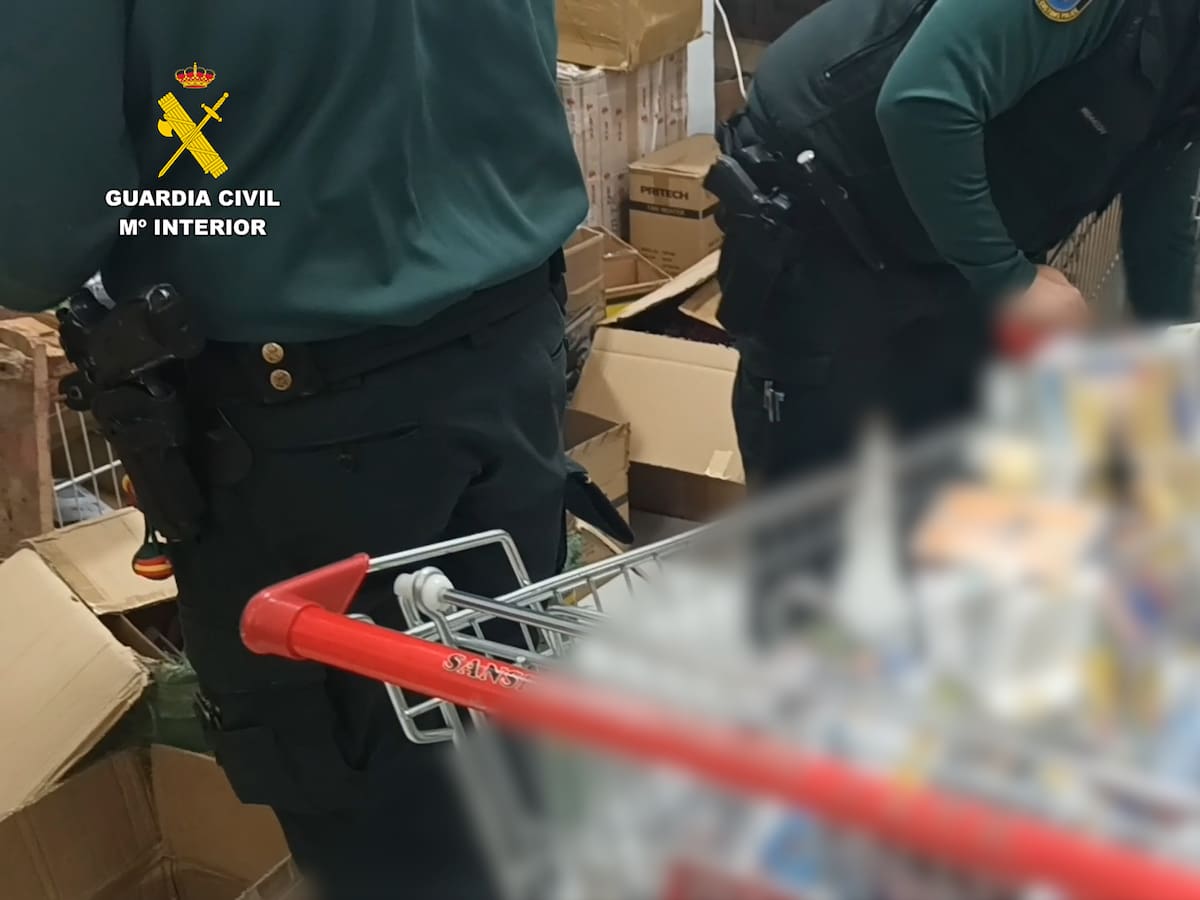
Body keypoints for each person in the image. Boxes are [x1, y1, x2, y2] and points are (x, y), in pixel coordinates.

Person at [0, 3, 588, 897]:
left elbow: (35, 241)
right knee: (507, 723)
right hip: (509, 344)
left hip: (310, 427)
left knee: (381, 826)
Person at [710, 0, 1200, 486]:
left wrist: (1172, 382)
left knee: (950, 473)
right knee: (818, 495)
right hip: (834, 198)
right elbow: (921, 102)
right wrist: (1009, 280)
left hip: (953, 227)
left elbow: (1163, 201)